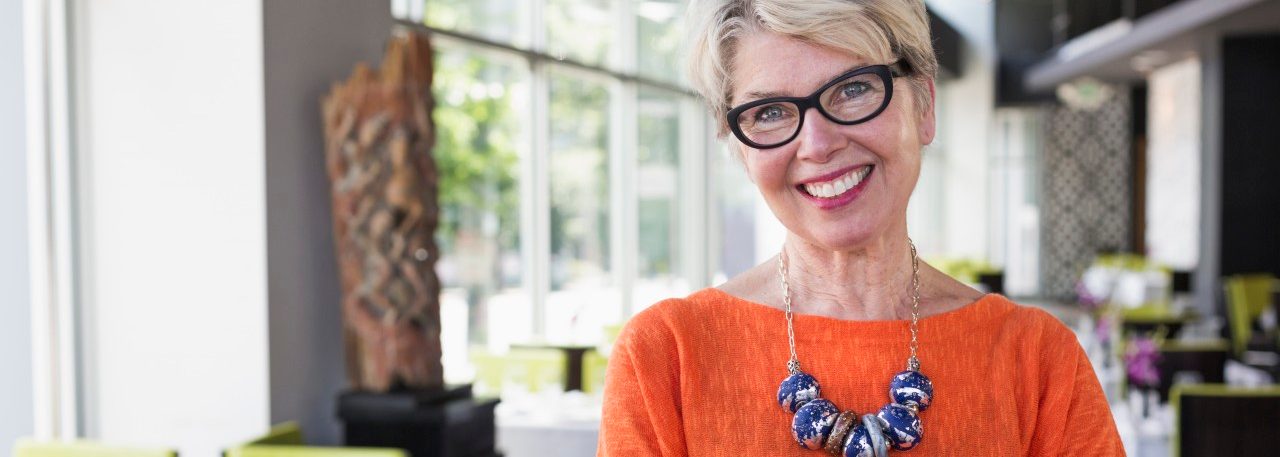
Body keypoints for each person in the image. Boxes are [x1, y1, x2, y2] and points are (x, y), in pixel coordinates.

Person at [597, 1, 1124, 455]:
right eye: (770, 113)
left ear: (924, 106)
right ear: (739, 147)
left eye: (852, 89)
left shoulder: (1035, 359)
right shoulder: (667, 356)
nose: (818, 144)